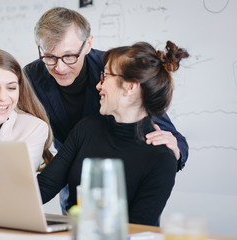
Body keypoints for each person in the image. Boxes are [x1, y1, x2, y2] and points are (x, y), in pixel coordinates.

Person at [0, 7, 188, 212]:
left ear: (88, 44)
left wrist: (175, 150)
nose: (59, 67)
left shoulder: (113, 70)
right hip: (71, 167)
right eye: (49, 56)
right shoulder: (32, 76)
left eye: (69, 56)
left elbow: (151, 115)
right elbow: (0, 105)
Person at [38, 40, 190, 226]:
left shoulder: (161, 157)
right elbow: (44, 188)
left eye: (106, 76)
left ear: (130, 86)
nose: (98, 86)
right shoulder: (86, 129)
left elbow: (137, 228)